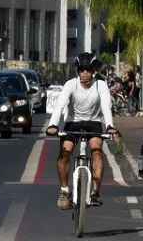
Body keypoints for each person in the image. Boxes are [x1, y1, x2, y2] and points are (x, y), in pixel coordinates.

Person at [46, 52, 118, 209]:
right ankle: (64, 190)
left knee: (97, 152)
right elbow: (60, 105)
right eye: (81, 70)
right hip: (73, 122)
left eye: (88, 70)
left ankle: (95, 191)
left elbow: (106, 107)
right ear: (78, 71)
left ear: (93, 71)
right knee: (65, 153)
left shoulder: (101, 85)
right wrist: (53, 125)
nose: (84, 73)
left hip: (94, 123)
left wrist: (110, 126)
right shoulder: (71, 84)